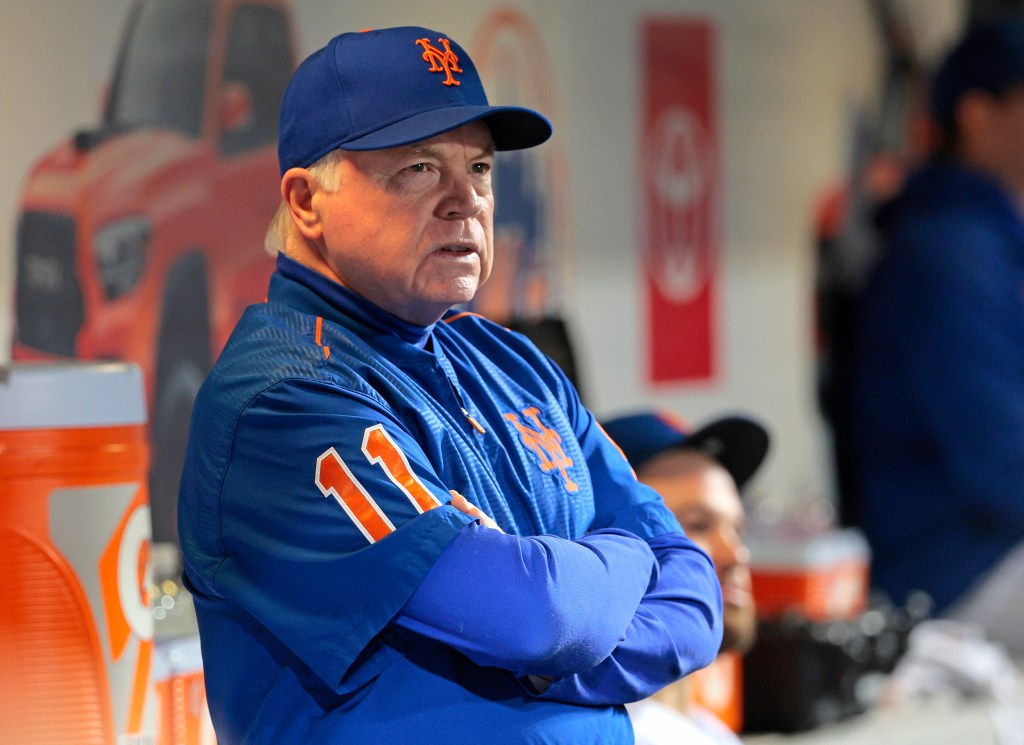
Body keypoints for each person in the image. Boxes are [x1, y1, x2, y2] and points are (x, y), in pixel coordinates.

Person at [177, 26, 723, 744]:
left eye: (483, 169)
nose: (465, 199)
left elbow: (695, 595)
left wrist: (554, 659)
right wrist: (621, 560)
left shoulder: (515, 364)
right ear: (306, 201)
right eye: (419, 169)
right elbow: (535, 615)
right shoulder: (280, 397)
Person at [845, 17, 1024, 653]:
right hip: (949, 573)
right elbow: (1005, 466)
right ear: (978, 114)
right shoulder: (949, 251)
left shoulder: (989, 237)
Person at [602, 411, 769, 745]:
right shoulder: (617, 734)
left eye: (737, 529)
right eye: (696, 526)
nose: (736, 555)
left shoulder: (705, 731)